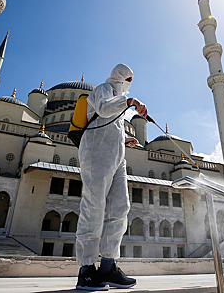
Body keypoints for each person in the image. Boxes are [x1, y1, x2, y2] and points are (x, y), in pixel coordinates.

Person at [75, 63, 148, 291]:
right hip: (96, 153)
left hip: (117, 156)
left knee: (119, 208)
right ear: (120, 76)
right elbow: (105, 109)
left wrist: (124, 139)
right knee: (93, 207)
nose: (129, 83)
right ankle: (86, 270)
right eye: (129, 78)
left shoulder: (119, 100)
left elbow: (109, 124)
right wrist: (130, 102)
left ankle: (108, 266)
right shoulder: (103, 90)